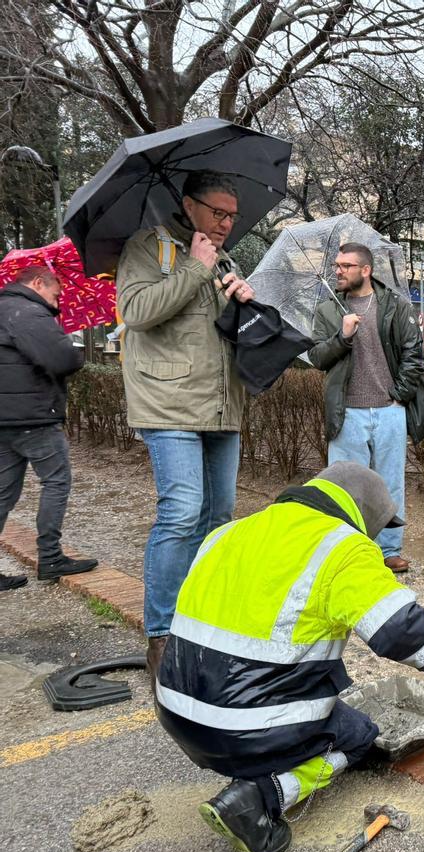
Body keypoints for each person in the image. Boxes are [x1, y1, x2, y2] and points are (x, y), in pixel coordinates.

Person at [156, 461, 424, 852]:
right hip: (241, 728)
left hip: (175, 711)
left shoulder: (231, 531)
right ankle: (259, 797)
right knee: (358, 734)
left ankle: (255, 768)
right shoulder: (342, 546)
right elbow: (399, 630)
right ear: (363, 514)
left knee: (319, 708)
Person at [116, 170, 256, 675]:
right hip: (168, 402)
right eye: (217, 212)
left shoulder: (225, 260)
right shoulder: (148, 247)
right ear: (189, 204)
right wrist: (197, 269)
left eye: (231, 216)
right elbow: (135, 311)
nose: (225, 224)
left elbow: (223, 336)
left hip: (222, 406)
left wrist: (244, 300)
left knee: (218, 519)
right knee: (181, 512)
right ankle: (162, 636)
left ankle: (201, 619)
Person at [309, 243, 423, 574]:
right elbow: (317, 358)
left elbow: (413, 352)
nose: (338, 270)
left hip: (389, 411)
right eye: (337, 265)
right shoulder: (328, 310)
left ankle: (389, 550)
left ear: (366, 270)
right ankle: (349, 551)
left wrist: (399, 395)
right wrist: (342, 337)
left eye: (346, 265)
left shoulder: (394, 306)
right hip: (347, 414)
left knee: (390, 484)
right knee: (343, 487)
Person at [0, 267, 97, 590]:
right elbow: (64, 359)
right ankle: (50, 556)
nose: (58, 300)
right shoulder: (27, 311)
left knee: (3, 494)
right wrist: (70, 349)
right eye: (56, 292)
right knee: (56, 481)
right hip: (34, 417)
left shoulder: (5, 308)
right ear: (38, 282)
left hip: (5, 420)